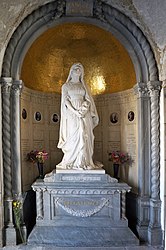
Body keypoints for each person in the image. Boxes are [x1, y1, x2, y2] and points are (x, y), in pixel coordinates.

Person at [57, 63, 101, 170]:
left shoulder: (84, 86)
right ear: (71, 71)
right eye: (76, 69)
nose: (78, 71)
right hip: (72, 114)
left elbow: (88, 100)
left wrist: (83, 109)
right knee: (73, 136)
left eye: (80, 69)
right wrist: (76, 112)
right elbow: (65, 101)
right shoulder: (66, 86)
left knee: (85, 135)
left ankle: (84, 161)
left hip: (84, 114)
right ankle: (71, 162)